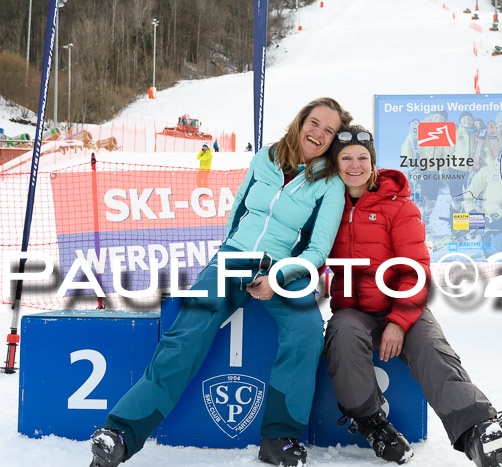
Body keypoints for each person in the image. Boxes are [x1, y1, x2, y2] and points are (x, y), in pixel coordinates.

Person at [89, 97, 353, 467]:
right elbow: (239, 210)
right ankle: (120, 433)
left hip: (284, 269)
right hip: (234, 257)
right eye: (314, 122)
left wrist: (276, 278)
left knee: (307, 332)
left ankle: (279, 437)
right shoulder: (267, 156)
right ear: (300, 121)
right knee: (187, 332)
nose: (319, 133)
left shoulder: (329, 183)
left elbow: (317, 250)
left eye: (329, 130)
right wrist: (229, 253)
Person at [324, 125, 502, 467]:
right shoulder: (327, 205)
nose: (354, 165)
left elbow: (414, 269)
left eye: (362, 158)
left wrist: (398, 321)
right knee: (342, 335)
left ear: (374, 163)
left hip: (403, 305)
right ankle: (371, 423)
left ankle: (477, 426)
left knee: (430, 348)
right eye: (346, 157)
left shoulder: (398, 206)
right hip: (354, 308)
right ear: (335, 163)